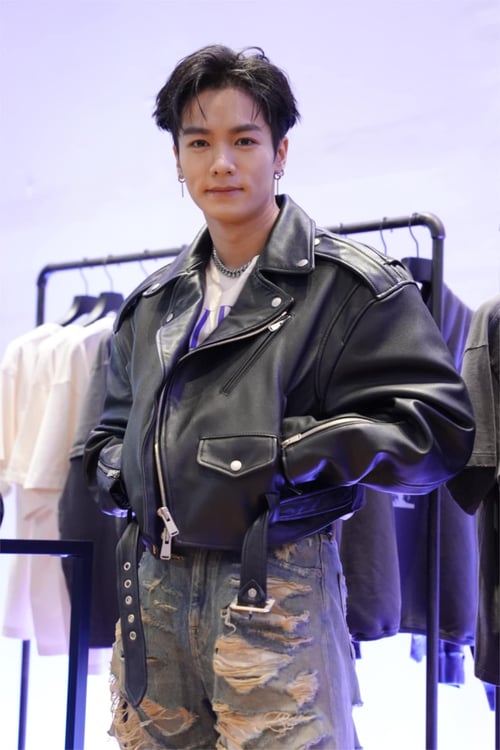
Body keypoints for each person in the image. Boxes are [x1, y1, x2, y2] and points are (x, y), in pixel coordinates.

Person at [84, 44, 475, 749]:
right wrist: (129, 473)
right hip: (153, 601)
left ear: (281, 152)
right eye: (198, 143)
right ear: (177, 159)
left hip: (273, 592)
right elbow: (104, 438)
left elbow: (437, 430)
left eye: (244, 140)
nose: (221, 164)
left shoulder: (351, 289)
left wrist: (285, 456)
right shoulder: (151, 304)